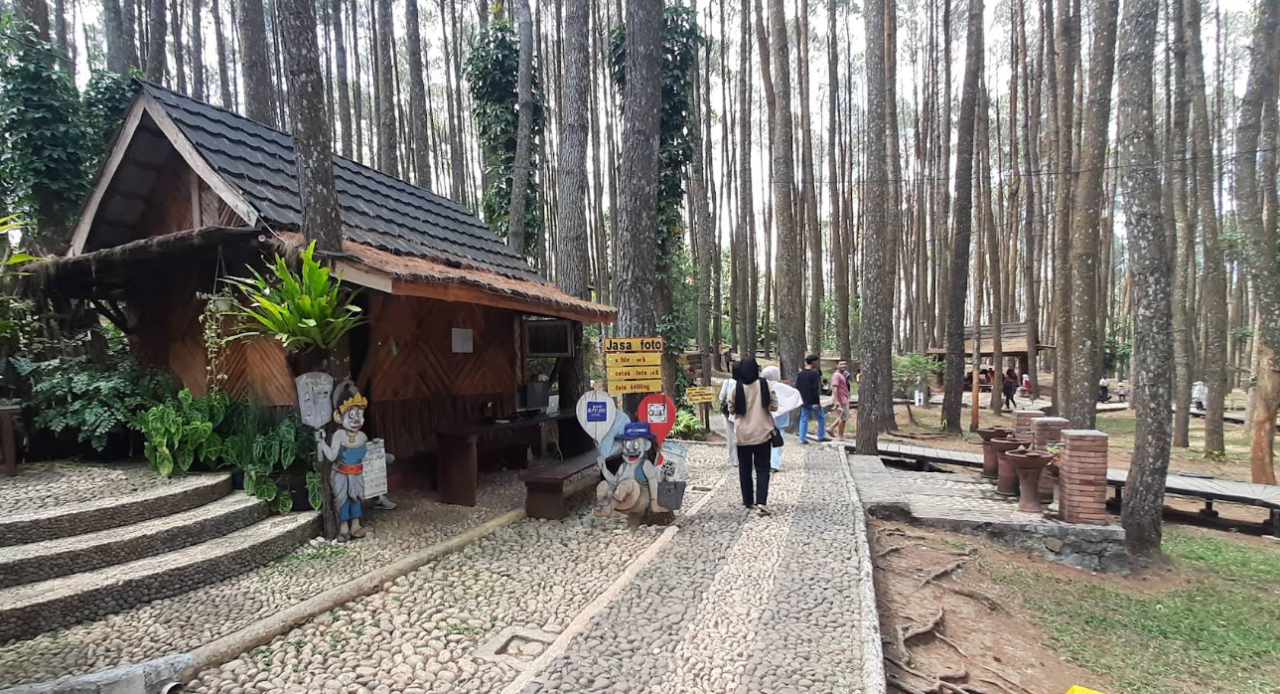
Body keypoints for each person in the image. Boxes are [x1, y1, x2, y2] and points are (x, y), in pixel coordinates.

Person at [733, 357, 778, 516]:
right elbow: (774, 406)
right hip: (762, 434)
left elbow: (732, 409)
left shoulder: (737, 387)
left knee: (744, 469)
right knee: (762, 469)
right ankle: (762, 502)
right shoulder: (765, 385)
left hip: (742, 435)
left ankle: (747, 500)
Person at [762, 366, 801, 471]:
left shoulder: (760, 386)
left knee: (764, 441)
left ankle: (764, 462)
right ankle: (774, 463)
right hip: (780, 419)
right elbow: (795, 394)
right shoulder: (782, 387)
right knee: (777, 441)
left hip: (763, 418)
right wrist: (785, 407)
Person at [795, 355, 830, 444]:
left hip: (803, 400)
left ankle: (802, 437)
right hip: (812, 400)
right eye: (817, 361)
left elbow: (798, 387)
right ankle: (821, 435)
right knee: (821, 418)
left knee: (803, 418)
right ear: (814, 362)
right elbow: (815, 388)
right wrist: (817, 402)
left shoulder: (801, 373)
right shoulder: (814, 373)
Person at [718, 362, 741, 467]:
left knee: (731, 437)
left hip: (729, 414)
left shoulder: (727, 382)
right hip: (742, 415)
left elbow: (721, 397)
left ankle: (734, 459)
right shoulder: (744, 383)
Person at [826, 360, 852, 439]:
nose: (843, 365)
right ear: (837, 366)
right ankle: (840, 436)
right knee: (843, 418)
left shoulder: (842, 375)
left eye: (844, 364)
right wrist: (836, 401)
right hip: (841, 399)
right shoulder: (836, 375)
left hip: (844, 398)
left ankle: (830, 428)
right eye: (841, 364)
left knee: (844, 416)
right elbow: (834, 388)